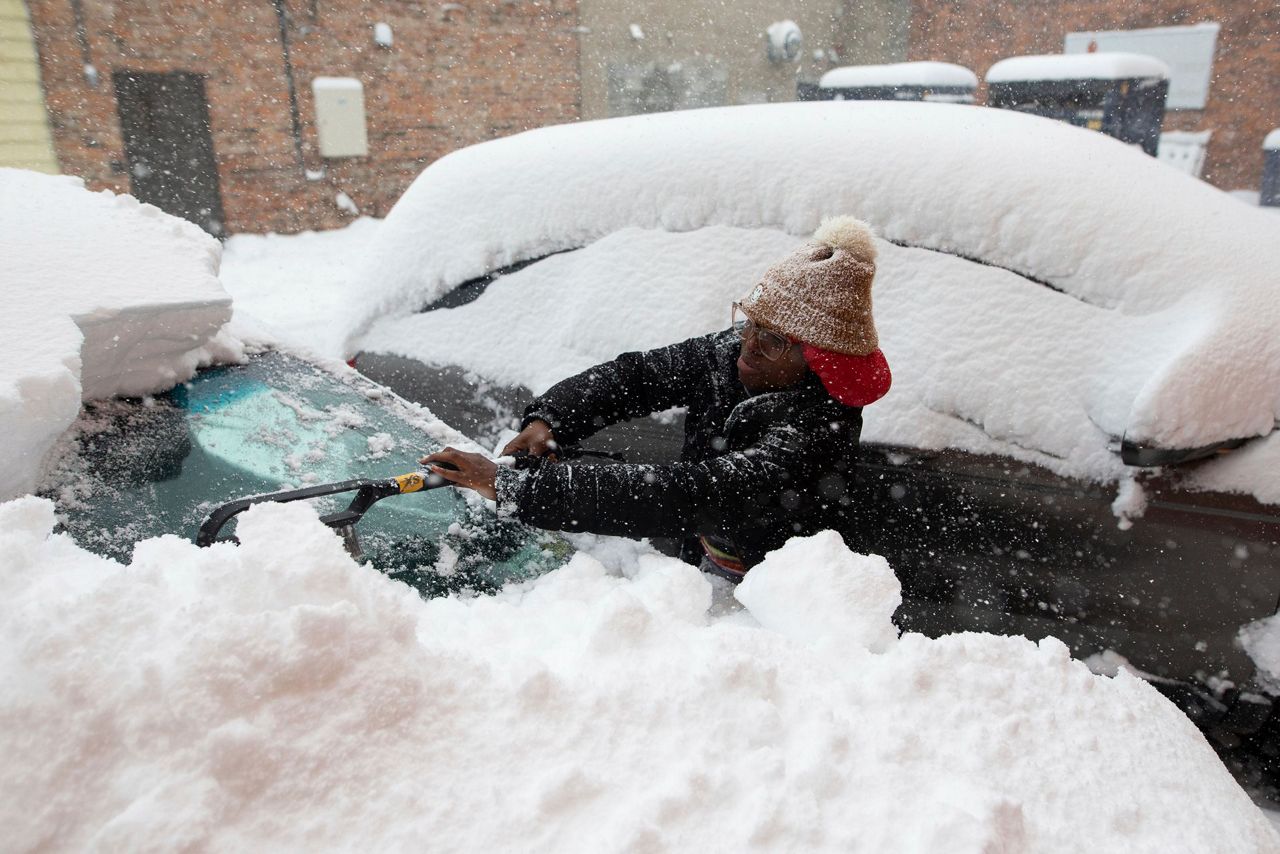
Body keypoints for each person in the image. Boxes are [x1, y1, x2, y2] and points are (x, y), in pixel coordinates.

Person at [421, 215, 891, 579]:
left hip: (783, 593)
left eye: (772, 341)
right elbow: (639, 376)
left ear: (817, 360)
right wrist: (551, 420)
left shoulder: (815, 429)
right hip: (705, 563)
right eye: (749, 322)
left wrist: (516, 489)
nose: (747, 343)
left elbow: (685, 494)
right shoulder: (730, 353)